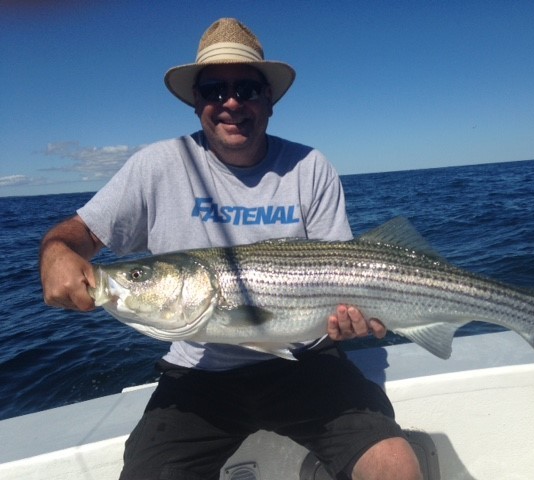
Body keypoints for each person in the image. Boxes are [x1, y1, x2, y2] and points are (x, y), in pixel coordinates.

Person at [39, 18, 423, 480]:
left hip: (308, 364)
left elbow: (341, 271)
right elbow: (79, 233)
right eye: (214, 90)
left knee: (396, 465)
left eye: (247, 89)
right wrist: (58, 249)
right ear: (196, 102)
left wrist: (353, 319)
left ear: (270, 101)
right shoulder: (156, 166)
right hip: (198, 377)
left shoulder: (309, 166)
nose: (231, 103)